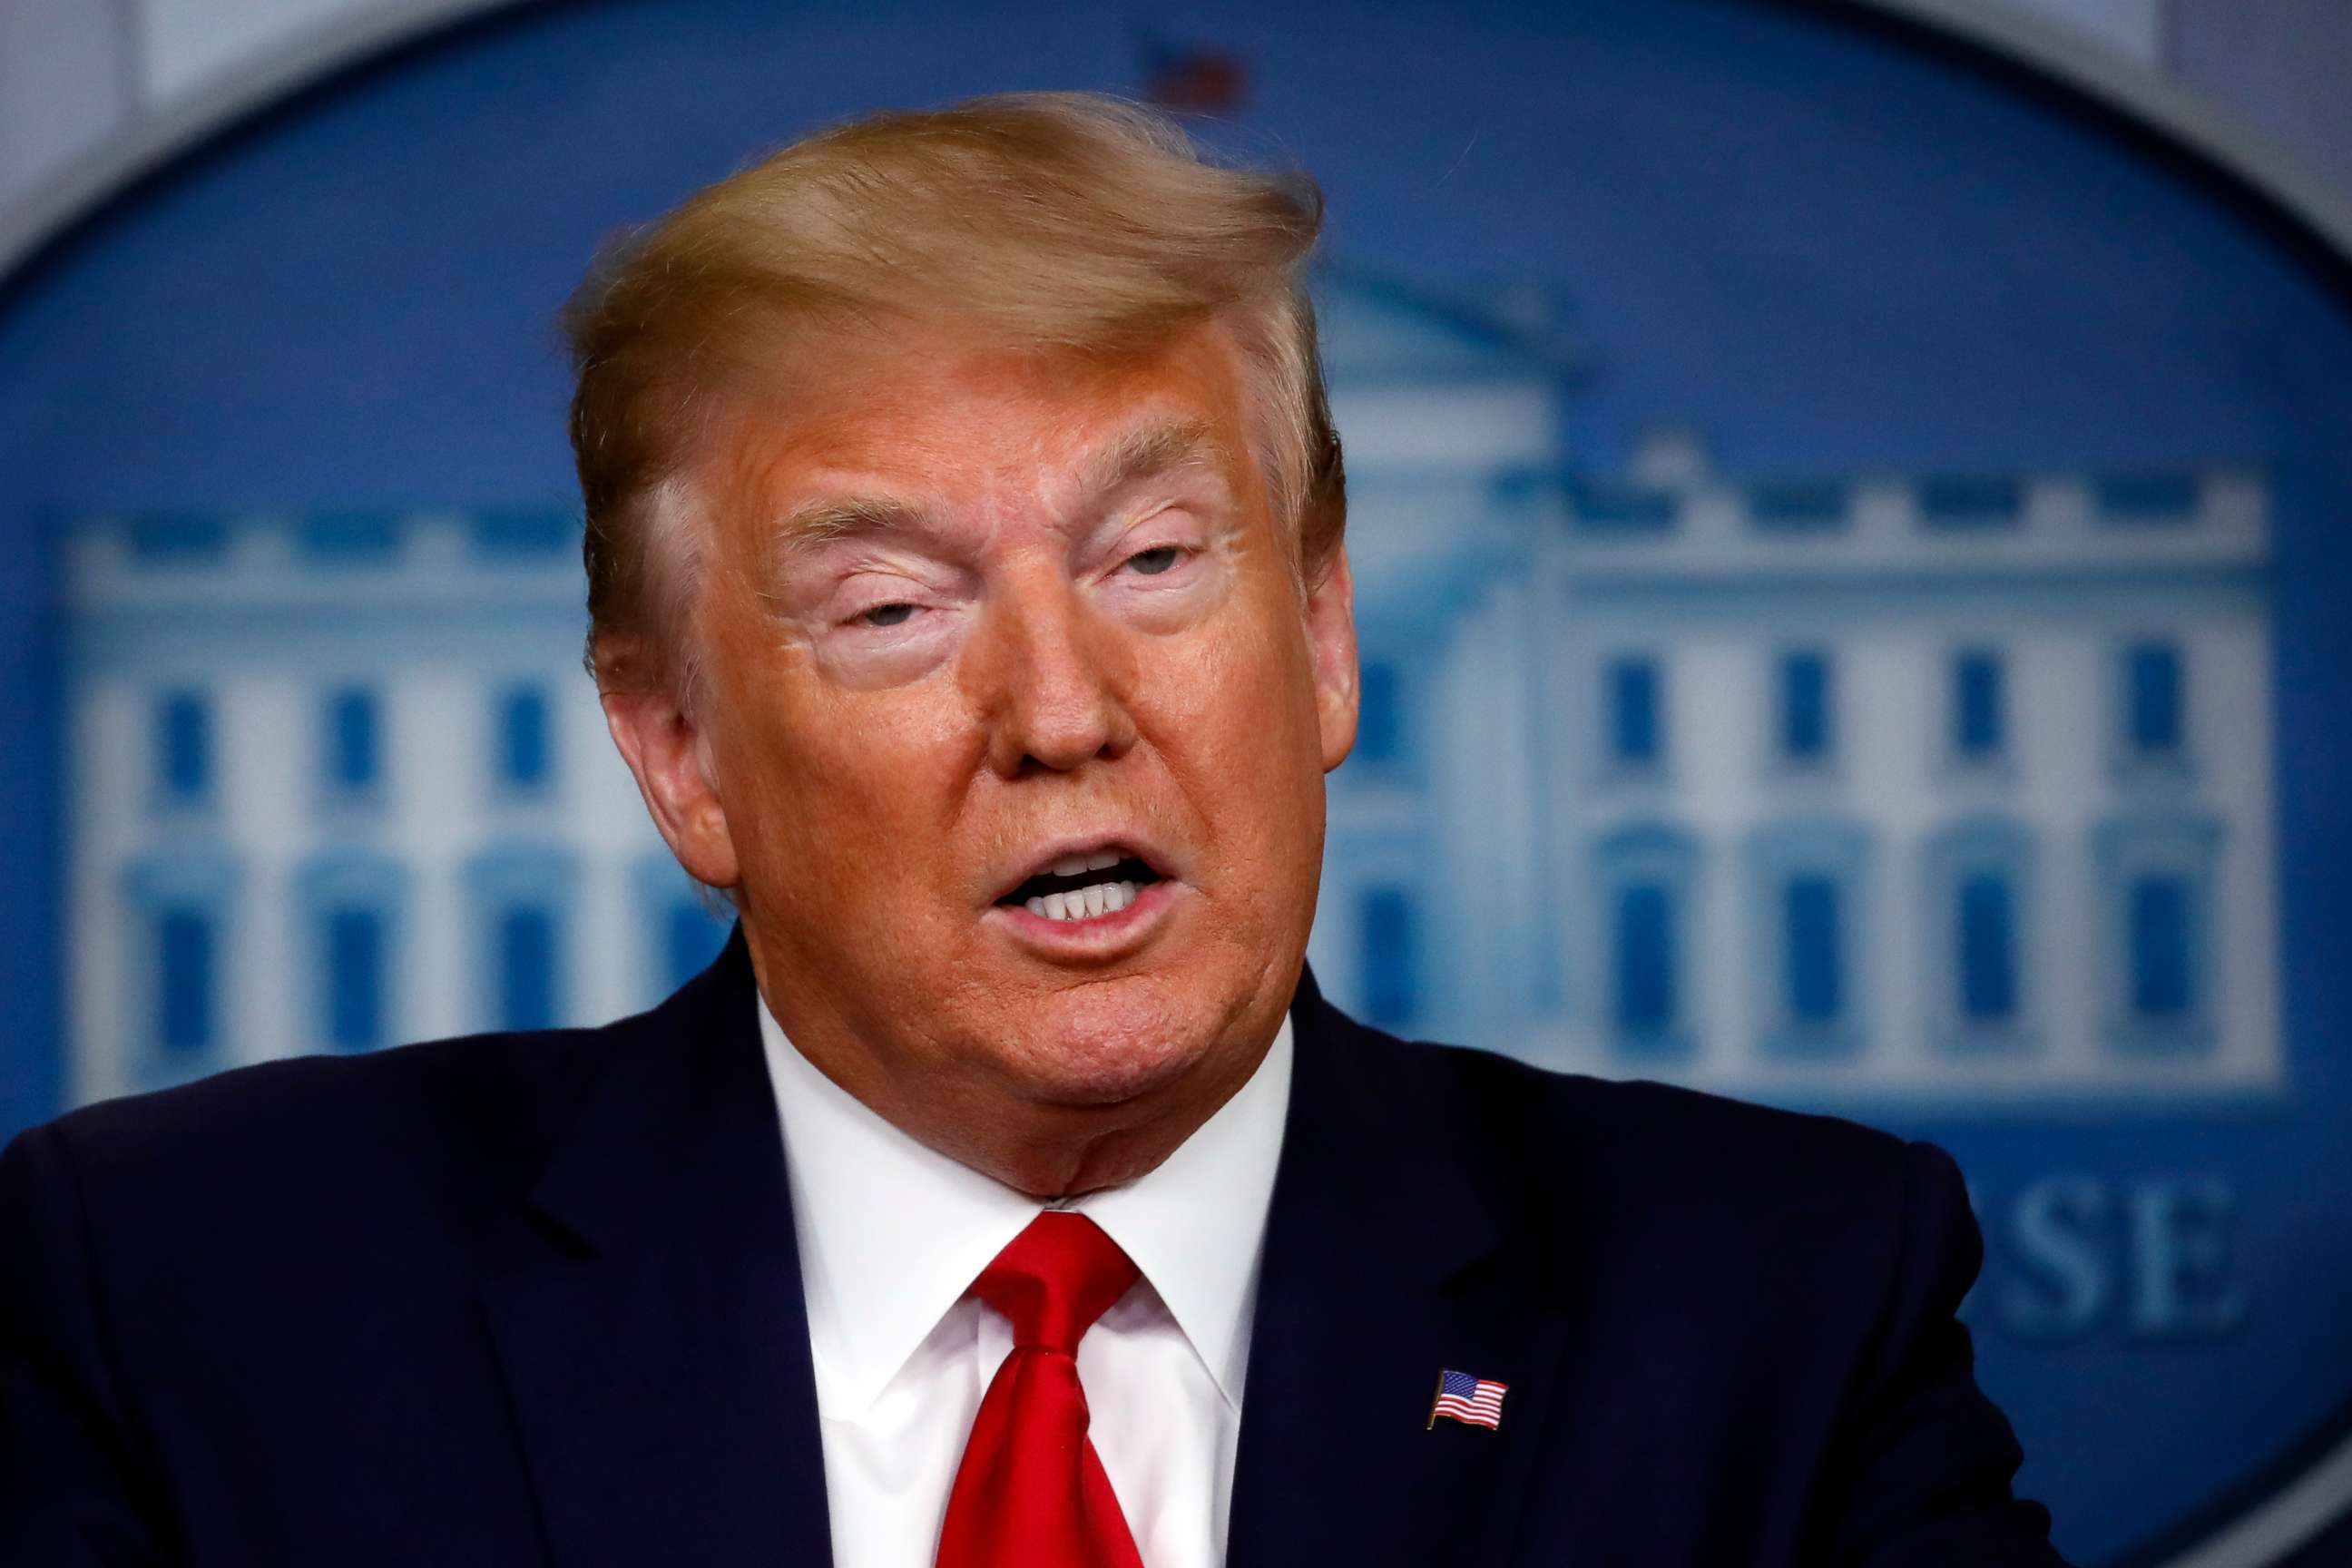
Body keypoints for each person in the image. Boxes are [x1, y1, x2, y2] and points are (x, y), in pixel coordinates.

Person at [0, 93, 2068, 1566]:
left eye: (1158, 559)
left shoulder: (1774, 1315)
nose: (1065, 714)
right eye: (896, 611)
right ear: (680, 753)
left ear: (1326, 637)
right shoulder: (198, 1303)